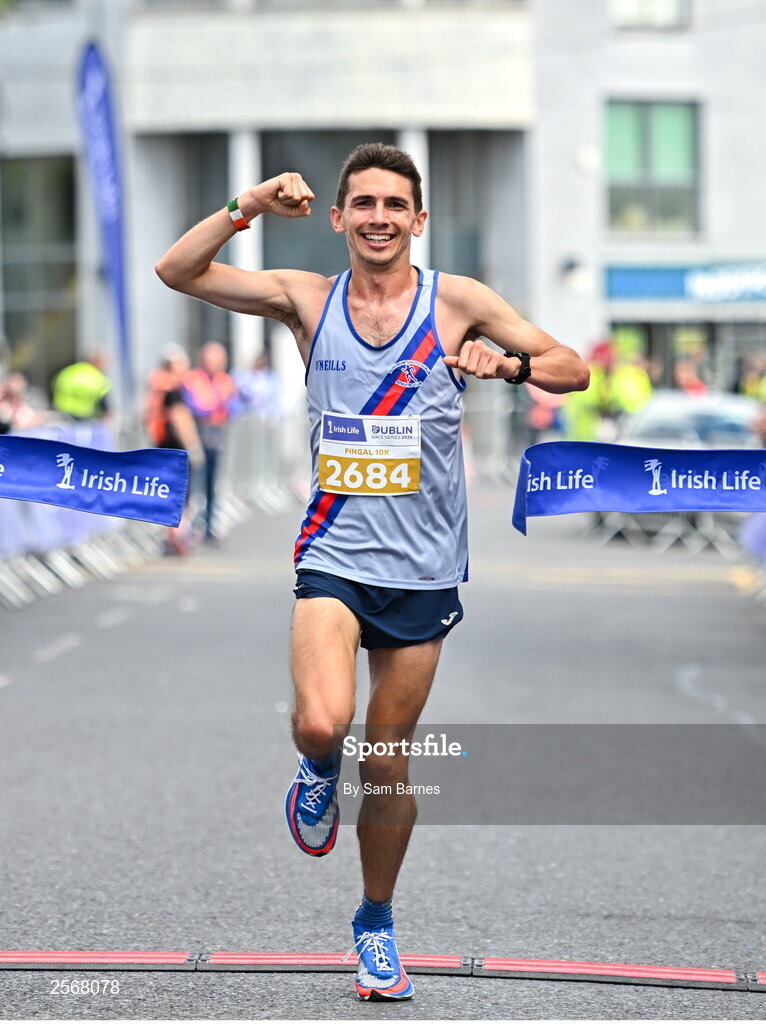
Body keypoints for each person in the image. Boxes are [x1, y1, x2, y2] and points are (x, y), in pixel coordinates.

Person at [156, 142, 589, 1001]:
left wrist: (503, 365)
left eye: (396, 205)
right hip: (334, 551)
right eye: (365, 204)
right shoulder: (305, 298)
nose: (381, 217)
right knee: (324, 724)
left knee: (387, 763)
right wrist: (247, 204)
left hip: (425, 568)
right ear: (340, 217)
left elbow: (571, 367)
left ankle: (376, 923)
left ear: (417, 220)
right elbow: (180, 269)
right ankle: (316, 770)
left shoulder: (456, 301)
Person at [145, 346, 203, 554]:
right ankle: (177, 537)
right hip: (176, 448)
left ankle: (171, 536)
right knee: (180, 495)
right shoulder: (173, 389)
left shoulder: (157, 386)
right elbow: (180, 419)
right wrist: (193, 446)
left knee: (167, 493)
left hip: (161, 445)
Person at [182, 341, 236, 543]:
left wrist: (217, 406)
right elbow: (194, 406)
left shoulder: (225, 380)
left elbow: (232, 407)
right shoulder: (192, 379)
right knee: (194, 480)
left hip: (217, 433)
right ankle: (189, 526)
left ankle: (209, 524)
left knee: (213, 482)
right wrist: (215, 405)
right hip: (197, 433)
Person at [51, 353, 111, 421]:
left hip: (63, 412)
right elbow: (103, 399)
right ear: (97, 363)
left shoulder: (70, 371)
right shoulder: (97, 377)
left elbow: (55, 385)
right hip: (84, 415)